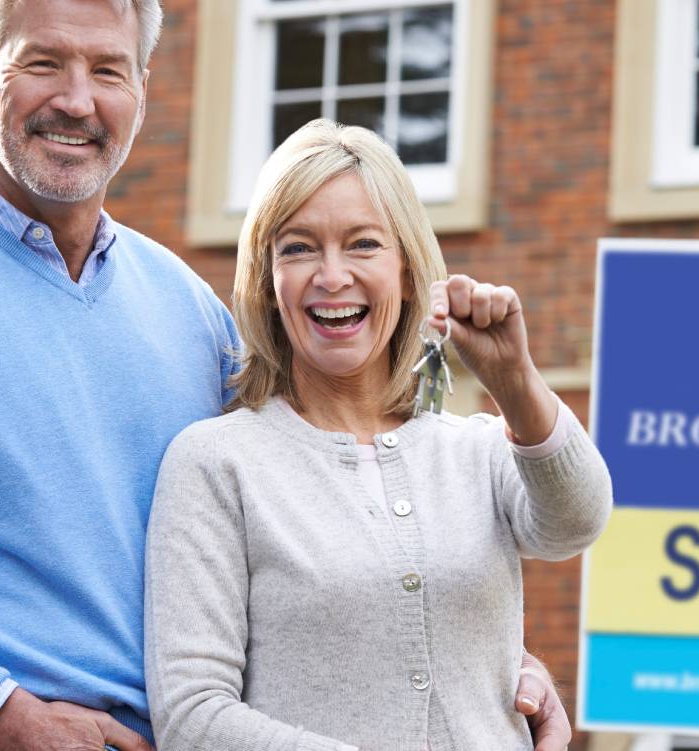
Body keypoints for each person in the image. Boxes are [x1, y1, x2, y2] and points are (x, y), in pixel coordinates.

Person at [0, 2, 574, 749]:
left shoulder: (182, 302)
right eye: (42, 63)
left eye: (107, 70)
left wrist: (468, 645)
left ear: (140, 95)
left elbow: (327, 519)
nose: (76, 99)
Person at [144, 120, 613, 749]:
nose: (331, 275)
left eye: (363, 244)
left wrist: (516, 381)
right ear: (267, 279)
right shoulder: (216, 462)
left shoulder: (475, 450)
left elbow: (576, 521)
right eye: (299, 247)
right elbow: (192, 715)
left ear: (408, 269)